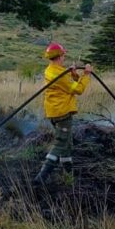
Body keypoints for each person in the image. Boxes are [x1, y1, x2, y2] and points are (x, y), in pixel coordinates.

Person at [33, 43, 92, 184]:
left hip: (54, 112)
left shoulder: (52, 70)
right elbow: (77, 90)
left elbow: (68, 84)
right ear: (59, 56)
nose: (64, 57)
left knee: (67, 144)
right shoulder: (59, 74)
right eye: (63, 55)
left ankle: (68, 175)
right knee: (60, 143)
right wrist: (86, 75)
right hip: (62, 113)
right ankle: (41, 177)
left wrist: (73, 74)